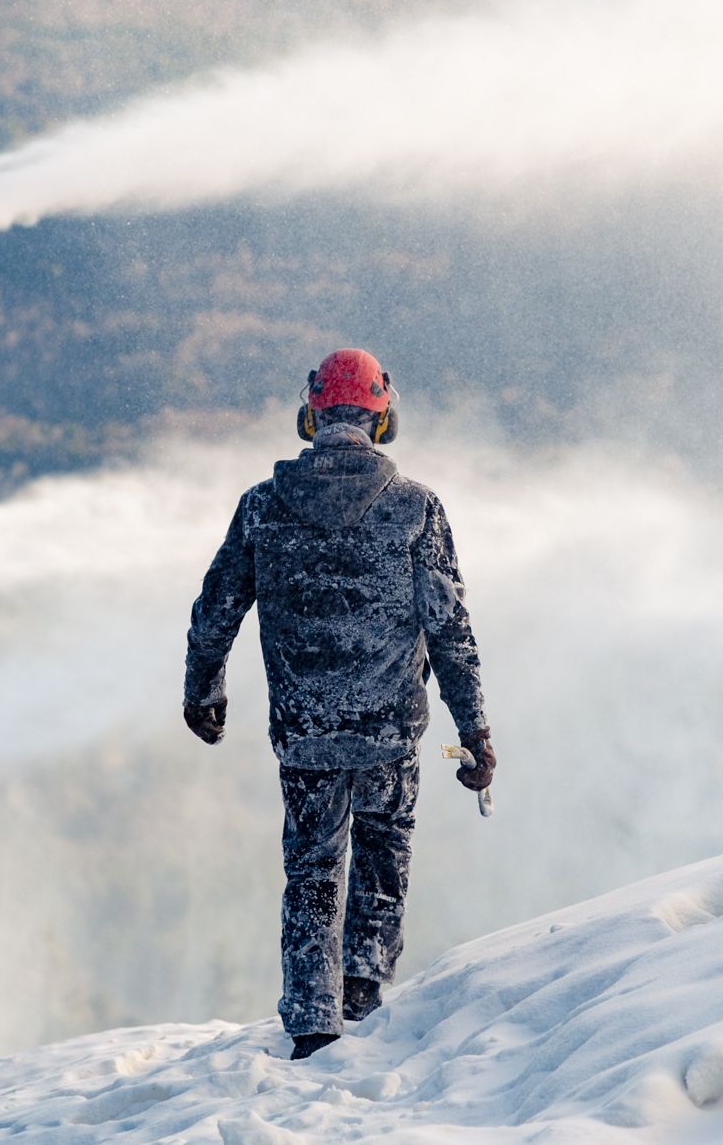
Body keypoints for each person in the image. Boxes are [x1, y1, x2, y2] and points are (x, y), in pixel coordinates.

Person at [183, 347, 493, 1060]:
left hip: (305, 738)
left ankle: (314, 1024)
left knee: (314, 871)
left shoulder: (262, 507)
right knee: (384, 856)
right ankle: (363, 992)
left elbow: (215, 611)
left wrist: (204, 691)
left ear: (312, 413)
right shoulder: (417, 509)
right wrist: (474, 729)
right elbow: (451, 631)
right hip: (389, 738)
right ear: (381, 416)